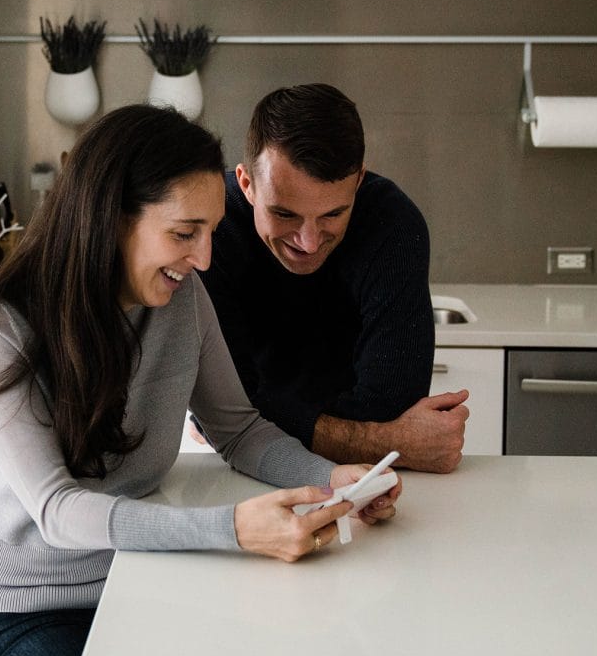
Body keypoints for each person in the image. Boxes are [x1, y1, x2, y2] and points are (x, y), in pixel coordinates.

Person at [0, 104, 401, 656]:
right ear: (111, 218)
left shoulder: (180, 298)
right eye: (185, 233)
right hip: (25, 610)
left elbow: (240, 431)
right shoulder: (1, 329)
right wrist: (233, 529)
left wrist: (335, 482)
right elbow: (58, 511)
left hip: (145, 580)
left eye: (210, 232)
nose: (203, 259)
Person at [200, 84, 469, 473]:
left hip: (365, 477)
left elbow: (391, 404)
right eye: (285, 214)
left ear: (358, 182)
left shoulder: (392, 223)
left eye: (332, 215)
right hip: (235, 466)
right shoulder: (211, 226)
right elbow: (228, 418)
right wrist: (391, 441)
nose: (308, 243)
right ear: (246, 184)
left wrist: (249, 415)